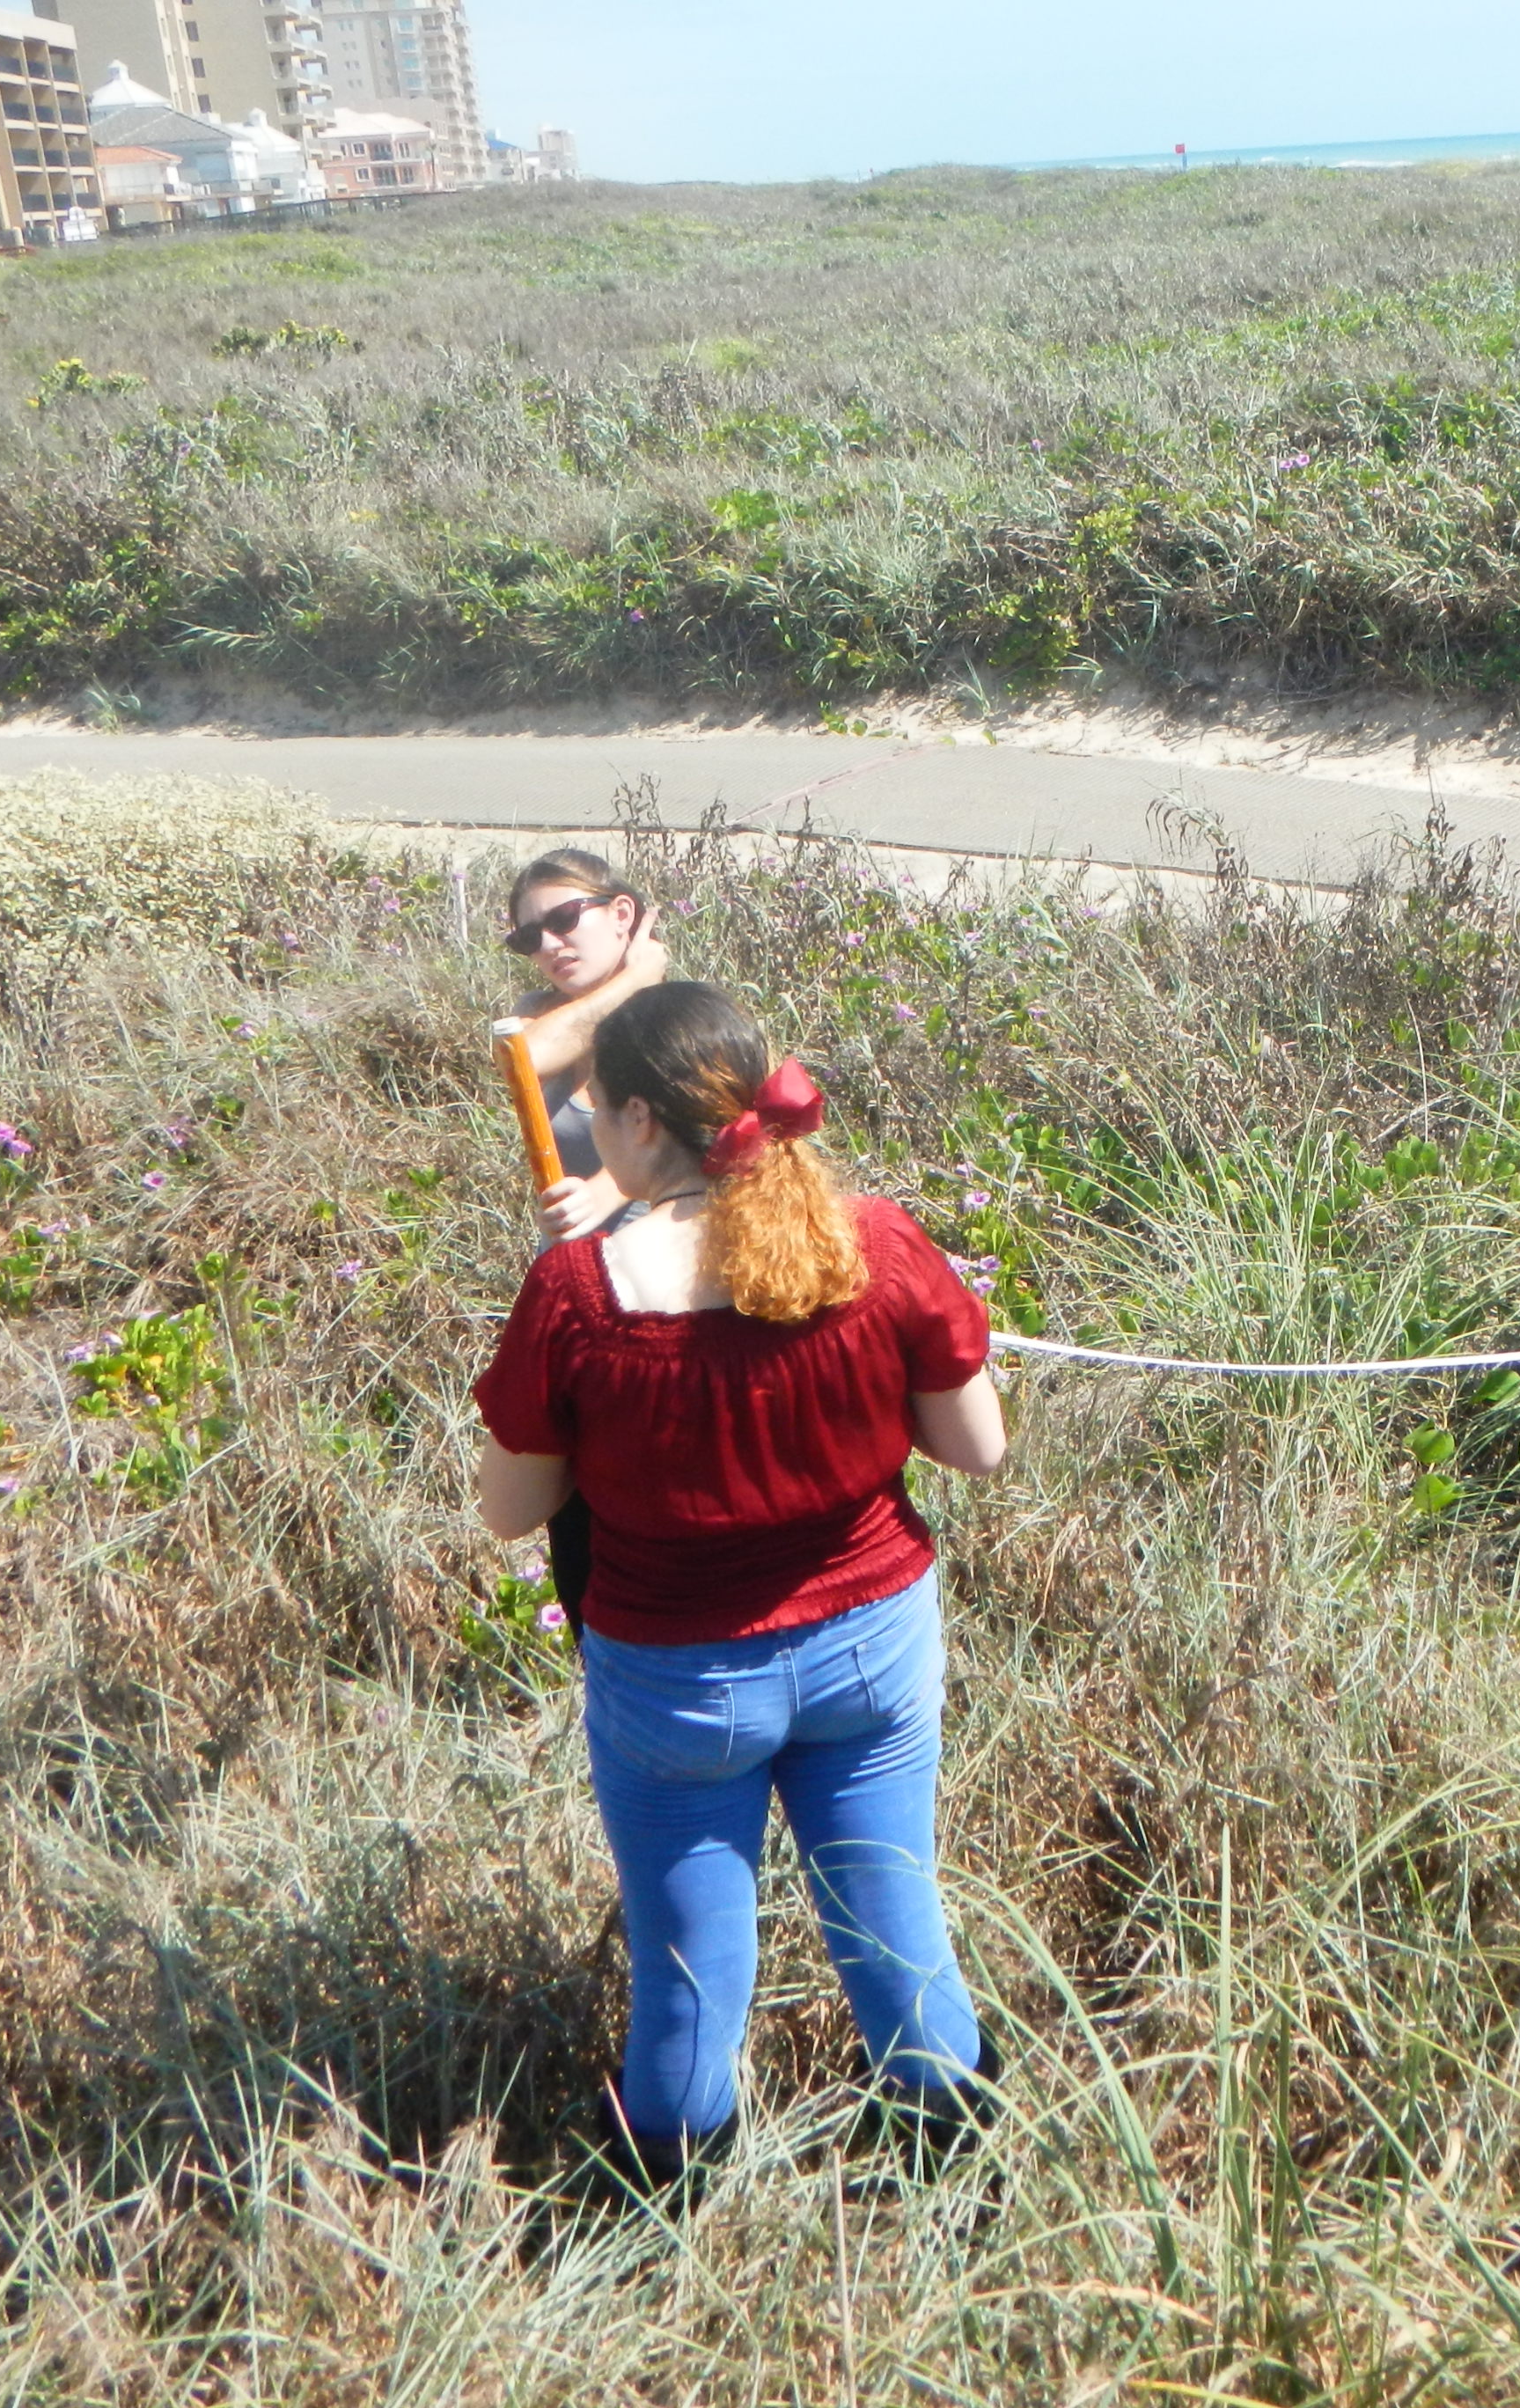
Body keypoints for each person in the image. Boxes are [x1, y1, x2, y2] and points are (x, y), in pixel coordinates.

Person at [474, 981, 1011, 2177]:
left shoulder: (578, 1294)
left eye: (594, 1110)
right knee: (894, 1920)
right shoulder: (874, 1239)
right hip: (872, 1641)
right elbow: (977, 1447)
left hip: (679, 1681)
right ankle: (957, 2175)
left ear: (639, 1123)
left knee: (687, 1969)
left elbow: (511, 1512)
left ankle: (659, 2202)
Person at [501, 848, 667, 1244]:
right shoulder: (536, 1011)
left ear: (621, 915)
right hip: (566, 1263)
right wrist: (635, 979)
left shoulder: (675, 1019)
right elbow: (525, 1059)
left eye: (564, 919)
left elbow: (697, 1137)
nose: (548, 944)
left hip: (653, 1258)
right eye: (529, 937)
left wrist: (605, 1191)